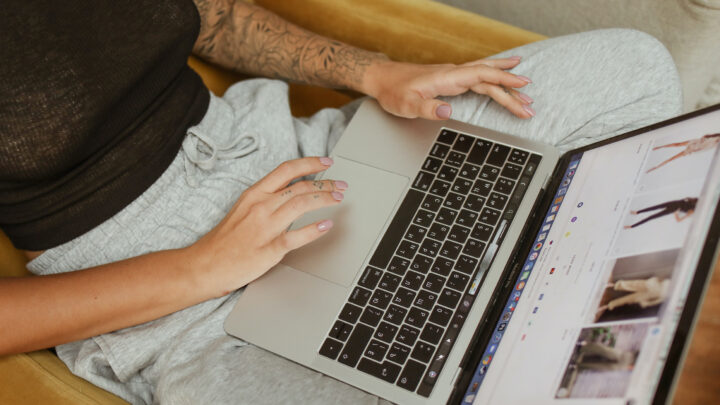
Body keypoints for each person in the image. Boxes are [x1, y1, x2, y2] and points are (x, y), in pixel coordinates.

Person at [0, 1, 683, 404]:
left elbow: (207, 14)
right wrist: (202, 267)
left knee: (632, 69)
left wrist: (376, 73)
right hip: (172, 299)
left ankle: (491, 302)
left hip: (298, 154)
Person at [647, 133, 720, 173]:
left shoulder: (716, 144)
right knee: (677, 144)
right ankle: (659, 147)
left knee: (672, 158)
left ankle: (657, 167)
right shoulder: (717, 136)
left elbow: (705, 148)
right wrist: (702, 139)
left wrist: (656, 167)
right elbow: (706, 136)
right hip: (697, 142)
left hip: (695, 149)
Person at [624, 197, 697, 229]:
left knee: (651, 217)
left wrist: (676, 213)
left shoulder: (692, 210)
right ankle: (637, 212)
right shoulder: (694, 199)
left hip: (673, 209)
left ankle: (632, 226)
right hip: (673, 203)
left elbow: (679, 220)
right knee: (654, 207)